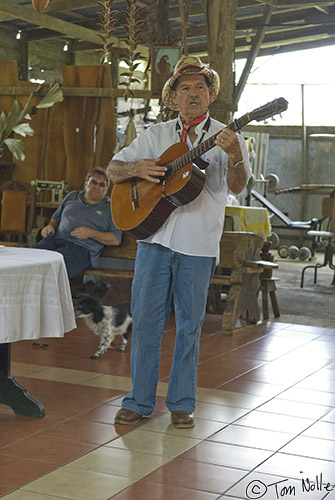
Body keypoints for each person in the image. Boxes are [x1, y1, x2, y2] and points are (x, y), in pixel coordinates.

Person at [107, 56, 251, 428]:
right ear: (173, 96)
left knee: (189, 325)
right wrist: (138, 168)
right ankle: (138, 402)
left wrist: (234, 154)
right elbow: (112, 169)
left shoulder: (228, 135)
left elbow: (236, 186)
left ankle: (182, 402)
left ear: (210, 96)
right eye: (184, 88)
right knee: (147, 322)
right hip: (153, 241)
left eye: (200, 88)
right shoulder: (155, 135)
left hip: (198, 246)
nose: (193, 94)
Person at [34, 167, 122, 278]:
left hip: (81, 249)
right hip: (55, 240)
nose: (97, 187)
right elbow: (56, 218)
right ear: (86, 183)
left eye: (102, 185)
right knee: (31, 258)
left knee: (54, 266)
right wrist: (50, 226)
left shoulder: (111, 208)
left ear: (106, 189)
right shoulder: (72, 196)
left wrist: (91, 233)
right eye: (94, 182)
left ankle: (45, 294)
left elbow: (116, 239)